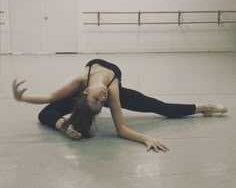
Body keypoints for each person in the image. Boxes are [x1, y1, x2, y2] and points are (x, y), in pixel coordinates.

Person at [12, 59, 228, 152]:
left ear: (86, 92)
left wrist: (21, 98)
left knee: (157, 106)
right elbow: (122, 129)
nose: (103, 98)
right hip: (85, 98)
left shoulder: (91, 84)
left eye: (99, 100)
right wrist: (147, 139)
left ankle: (202, 107)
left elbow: (49, 94)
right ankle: (65, 126)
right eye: (101, 102)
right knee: (46, 113)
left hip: (94, 94)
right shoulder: (101, 90)